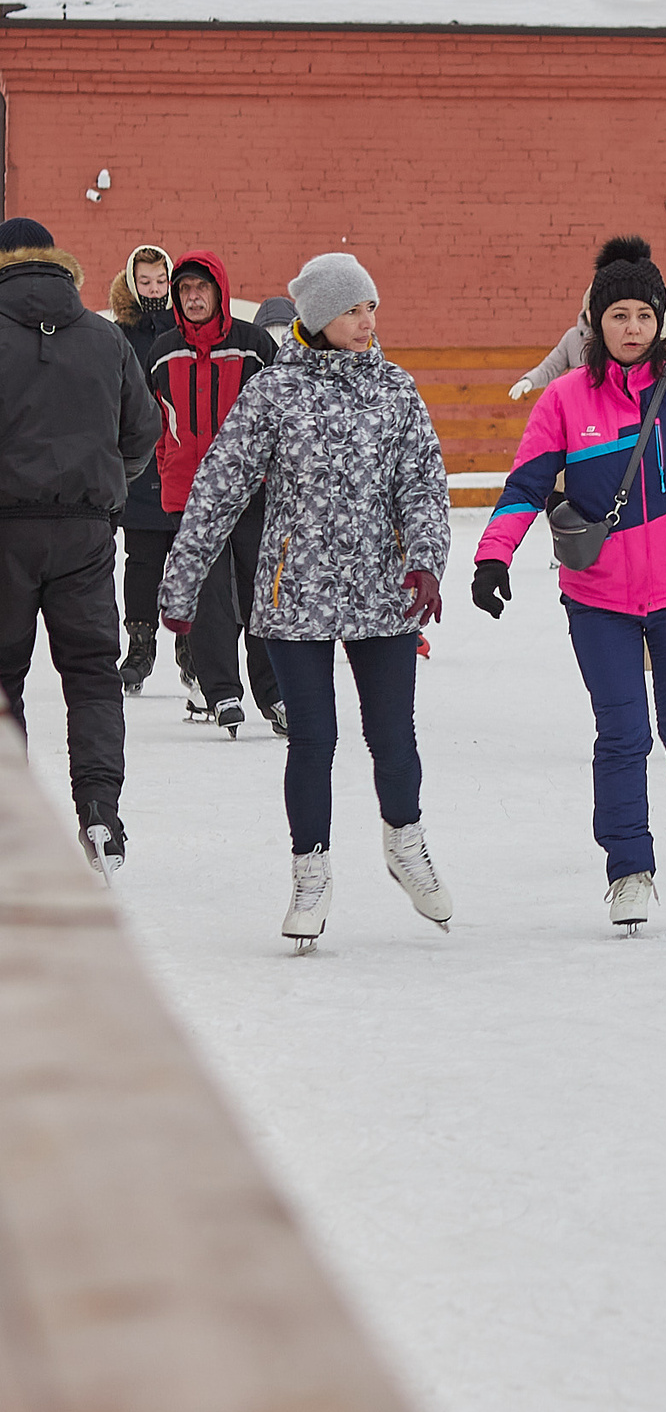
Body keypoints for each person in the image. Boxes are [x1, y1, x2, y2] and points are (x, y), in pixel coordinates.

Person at [159, 255, 454, 950]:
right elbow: (220, 486)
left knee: (393, 735)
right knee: (313, 739)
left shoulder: (395, 388)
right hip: (296, 594)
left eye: (370, 306)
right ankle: (310, 873)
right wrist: (181, 584)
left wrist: (426, 561)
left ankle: (405, 842)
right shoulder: (274, 392)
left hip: (381, 592)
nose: (367, 321)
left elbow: (422, 482)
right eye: (352, 310)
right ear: (319, 318)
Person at [474, 238, 666, 934]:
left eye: (643, 315)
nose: (632, 328)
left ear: (661, 322)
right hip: (598, 598)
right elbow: (526, 485)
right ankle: (629, 870)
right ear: (596, 324)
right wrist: (493, 556)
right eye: (618, 315)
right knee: (622, 734)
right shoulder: (565, 399)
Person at [0, 216, 159, 873]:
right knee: (93, 675)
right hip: (86, 530)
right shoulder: (104, 337)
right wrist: (104, 487)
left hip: (5, 529)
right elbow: (142, 431)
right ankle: (99, 812)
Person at [146, 251, 284, 737]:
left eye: (200, 288)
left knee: (261, 593)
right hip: (191, 495)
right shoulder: (162, 351)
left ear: (219, 292)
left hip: (252, 491)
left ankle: (275, 693)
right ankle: (221, 691)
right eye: (184, 290)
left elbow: (281, 417)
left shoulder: (254, 346)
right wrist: (168, 474)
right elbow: (158, 423)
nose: (193, 297)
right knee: (207, 597)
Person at [105, 242, 180, 695]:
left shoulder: (187, 330)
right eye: (145, 281)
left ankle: (193, 652)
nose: (154, 289)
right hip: (140, 465)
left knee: (191, 562)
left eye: (160, 280)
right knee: (142, 562)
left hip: (184, 462)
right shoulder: (120, 335)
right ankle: (140, 647)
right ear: (132, 285)